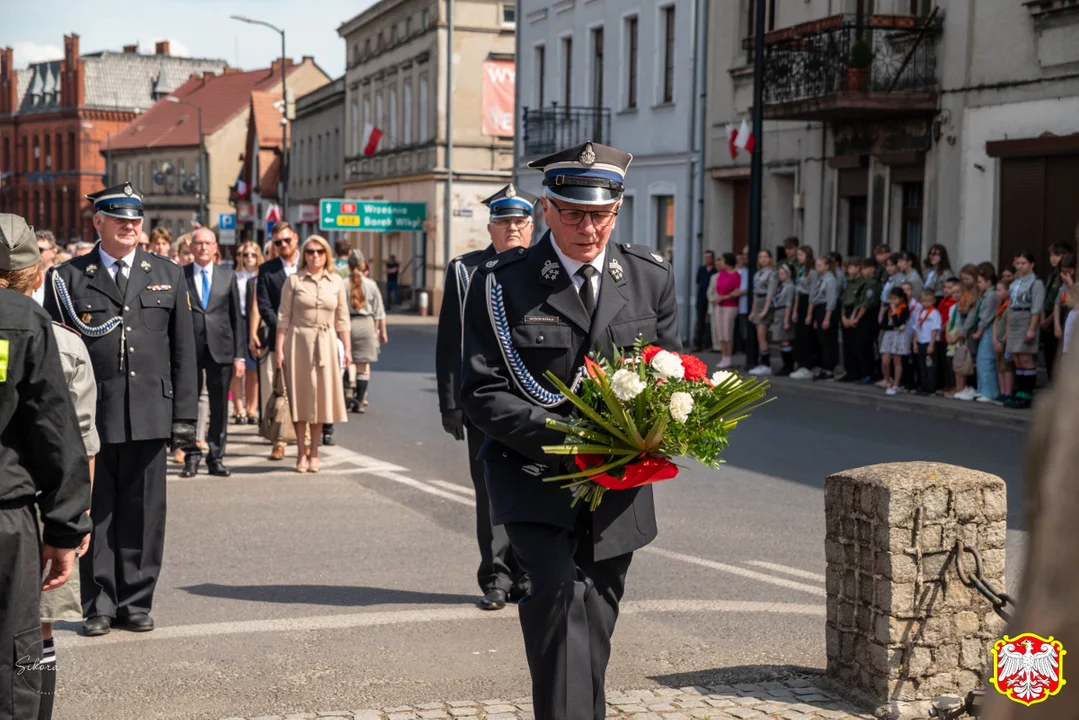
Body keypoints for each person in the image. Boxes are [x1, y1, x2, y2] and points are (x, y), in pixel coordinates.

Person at [460, 141, 680, 720]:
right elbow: (480, 392)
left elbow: (674, 377)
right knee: (558, 603)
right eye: (574, 213)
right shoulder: (503, 282)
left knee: (596, 623)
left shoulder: (649, 277)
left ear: (618, 208)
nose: (589, 227)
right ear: (545, 209)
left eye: (601, 214)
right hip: (536, 477)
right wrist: (568, 439)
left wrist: (662, 429)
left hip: (618, 490)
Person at [43, 183, 198, 636]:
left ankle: (136, 600)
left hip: (151, 412)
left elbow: (184, 351)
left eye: (135, 220)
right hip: (91, 418)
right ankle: (98, 603)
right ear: (98, 223)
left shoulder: (167, 274)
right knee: (95, 509)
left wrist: (184, 418)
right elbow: (54, 355)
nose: (131, 227)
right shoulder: (68, 278)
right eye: (120, 219)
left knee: (145, 511)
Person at [0, 214, 93, 720]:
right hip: (8, 519)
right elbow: (56, 434)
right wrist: (64, 528)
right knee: (19, 654)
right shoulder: (25, 321)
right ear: (32, 272)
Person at [437, 183, 536, 611]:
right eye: (504, 222)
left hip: (536, 401)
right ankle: (496, 576)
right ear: (490, 226)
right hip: (483, 400)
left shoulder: (543, 270)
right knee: (491, 492)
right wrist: (450, 401)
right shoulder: (467, 271)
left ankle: (530, 571)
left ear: (531, 228)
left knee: (535, 488)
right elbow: (450, 339)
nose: (512, 229)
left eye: (519, 222)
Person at [275, 235, 351, 473]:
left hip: (326, 343)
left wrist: (347, 349)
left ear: (327, 254)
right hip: (298, 341)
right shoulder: (294, 281)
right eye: (310, 251)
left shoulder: (337, 282)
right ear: (304, 254)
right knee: (299, 398)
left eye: (319, 251)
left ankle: (315, 451)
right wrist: (279, 348)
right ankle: (300, 451)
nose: (315, 255)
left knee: (320, 400)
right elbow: (283, 317)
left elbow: (343, 319)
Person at [179, 229, 245, 478]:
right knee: (187, 406)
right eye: (198, 243)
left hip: (222, 350)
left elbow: (236, 319)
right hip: (189, 350)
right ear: (191, 247)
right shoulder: (180, 275)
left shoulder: (228, 277)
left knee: (219, 406)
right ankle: (191, 456)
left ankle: (216, 457)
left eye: (207, 243)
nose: (203, 247)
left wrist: (239, 356)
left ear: (215, 247)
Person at [256, 222, 302, 461]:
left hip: (308, 340)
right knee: (281, 392)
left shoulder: (309, 264)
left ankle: (308, 442)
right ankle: (280, 442)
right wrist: (284, 328)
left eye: (287, 240)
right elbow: (264, 307)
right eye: (278, 242)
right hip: (280, 339)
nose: (283, 245)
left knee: (307, 391)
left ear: (295, 238)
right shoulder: (267, 270)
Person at [346, 256, 387, 413]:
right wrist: (382, 332)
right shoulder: (371, 285)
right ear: (363, 266)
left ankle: (349, 391)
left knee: (348, 361)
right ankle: (360, 400)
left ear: (349, 266)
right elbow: (379, 311)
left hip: (348, 324)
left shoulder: (343, 284)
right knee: (362, 365)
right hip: (366, 325)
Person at [1004, 251, 1045, 409]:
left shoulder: (1036, 283)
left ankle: (1027, 395)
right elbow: (1009, 307)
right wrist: (1007, 329)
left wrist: (1031, 329)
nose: (1020, 266)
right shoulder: (1015, 283)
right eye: (1018, 264)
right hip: (1014, 317)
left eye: (1024, 263)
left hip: (1026, 318)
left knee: (1026, 359)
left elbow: (1036, 307)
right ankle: (1019, 393)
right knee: (1016, 358)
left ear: (1031, 265)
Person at [231, 240, 263, 424]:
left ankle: (252, 408)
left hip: (256, 324)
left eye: (253, 254)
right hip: (239, 322)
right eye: (245, 255)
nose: (249, 258)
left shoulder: (261, 277)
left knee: (253, 370)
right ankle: (238, 408)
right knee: (237, 369)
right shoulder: (236, 277)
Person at [1041, 242, 1072, 380]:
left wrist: (1050, 320)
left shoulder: (1067, 278)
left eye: (1057, 255)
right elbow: (1052, 300)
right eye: (1051, 255)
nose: (1053, 259)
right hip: (1050, 317)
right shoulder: (1053, 276)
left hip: (1061, 318)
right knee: (1049, 354)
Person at [971, 267, 1000, 404]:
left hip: (988, 330)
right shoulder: (984, 295)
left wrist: (978, 332)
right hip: (984, 329)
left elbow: (987, 317)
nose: (978, 284)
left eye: (981, 282)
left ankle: (990, 392)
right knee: (981, 361)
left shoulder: (992, 295)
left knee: (986, 360)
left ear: (989, 282)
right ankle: (982, 389)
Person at [747, 249, 778, 376]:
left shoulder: (772, 273)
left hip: (766, 301)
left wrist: (765, 309)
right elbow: (755, 293)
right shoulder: (758, 273)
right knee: (759, 336)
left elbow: (771, 292)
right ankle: (762, 362)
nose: (763, 259)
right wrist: (753, 311)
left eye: (765, 256)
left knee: (762, 335)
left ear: (770, 258)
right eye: (761, 257)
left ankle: (766, 364)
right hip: (758, 301)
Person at [790, 245, 819, 379]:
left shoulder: (812, 272)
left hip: (808, 302)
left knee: (807, 336)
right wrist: (795, 310)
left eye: (801, 255)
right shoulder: (800, 270)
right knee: (799, 335)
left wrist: (809, 313)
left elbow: (813, 292)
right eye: (798, 255)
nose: (799, 257)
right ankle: (800, 363)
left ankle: (807, 365)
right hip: (800, 300)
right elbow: (797, 291)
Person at [709, 252, 741, 369]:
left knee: (727, 331)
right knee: (720, 332)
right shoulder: (721, 273)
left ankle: (728, 357)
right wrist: (716, 298)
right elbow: (718, 288)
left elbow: (737, 291)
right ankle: (723, 356)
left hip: (730, 305)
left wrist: (724, 297)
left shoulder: (736, 275)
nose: (720, 263)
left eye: (722, 260)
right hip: (719, 305)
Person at [810, 254, 839, 381]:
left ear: (827, 266)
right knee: (821, 340)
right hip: (820, 309)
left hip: (827, 310)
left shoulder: (830, 280)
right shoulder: (821, 278)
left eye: (819, 265)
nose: (817, 267)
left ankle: (829, 369)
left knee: (828, 341)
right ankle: (823, 366)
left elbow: (831, 300)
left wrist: (827, 318)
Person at [854, 257, 882, 384]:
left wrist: (857, 317)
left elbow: (866, 303)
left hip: (868, 317)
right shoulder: (863, 283)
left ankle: (869, 373)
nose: (863, 271)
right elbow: (858, 302)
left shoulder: (872, 284)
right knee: (860, 345)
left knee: (866, 346)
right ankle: (864, 372)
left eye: (865, 268)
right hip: (861, 315)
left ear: (873, 269)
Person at [838, 258, 865, 382]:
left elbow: (859, 302)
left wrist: (852, 317)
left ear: (858, 267)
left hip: (855, 314)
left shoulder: (862, 282)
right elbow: (844, 300)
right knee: (846, 345)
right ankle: (848, 370)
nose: (849, 270)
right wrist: (843, 316)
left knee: (856, 345)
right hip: (846, 313)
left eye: (851, 267)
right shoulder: (849, 282)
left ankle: (856, 371)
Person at [879, 287, 910, 396]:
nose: (892, 301)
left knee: (897, 360)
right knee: (885, 361)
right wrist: (893, 327)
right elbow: (882, 325)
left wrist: (895, 313)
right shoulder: (889, 309)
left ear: (901, 299)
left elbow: (898, 322)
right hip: (889, 336)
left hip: (899, 337)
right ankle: (887, 380)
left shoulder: (905, 309)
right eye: (891, 299)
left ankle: (896, 384)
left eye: (895, 299)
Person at [911, 289, 941, 395]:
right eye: (923, 301)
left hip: (929, 342)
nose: (926, 303)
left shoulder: (934, 313)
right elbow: (916, 329)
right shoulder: (919, 312)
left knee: (930, 366)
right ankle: (923, 386)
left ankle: (930, 388)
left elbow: (935, 330)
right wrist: (914, 343)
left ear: (933, 301)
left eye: (928, 301)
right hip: (920, 342)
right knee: (922, 366)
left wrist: (931, 344)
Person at [769, 263, 796, 376]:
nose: (780, 276)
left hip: (783, 312)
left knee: (784, 339)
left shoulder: (790, 286)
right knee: (780, 339)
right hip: (778, 312)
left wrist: (786, 320)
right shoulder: (782, 285)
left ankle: (789, 365)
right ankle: (785, 364)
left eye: (782, 273)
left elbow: (789, 303)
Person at [992, 279, 1015, 404]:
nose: (997, 292)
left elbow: (1009, 324)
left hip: (1005, 342)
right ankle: (1002, 392)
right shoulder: (999, 306)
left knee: (1007, 368)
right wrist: (994, 339)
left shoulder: (1010, 306)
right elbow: (995, 323)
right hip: (997, 341)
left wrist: (1003, 341)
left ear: (1008, 292)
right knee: (999, 367)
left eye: (999, 290)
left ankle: (1008, 393)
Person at [1052, 253, 1075, 361]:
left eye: (1069, 272)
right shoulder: (1063, 285)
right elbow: (1057, 303)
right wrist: (1056, 325)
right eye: (1063, 271)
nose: (1065, 275)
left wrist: (1070, 283)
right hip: (1066, 319)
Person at [693, 250, 716, 352]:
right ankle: (699, 344)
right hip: (701, 298)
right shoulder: (701, 269)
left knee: (711, 322)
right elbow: (698, 283)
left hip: (712, 299)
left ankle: (711, 344)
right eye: (706, 257)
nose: (707, 259)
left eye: (709, 257)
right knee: (700, 321)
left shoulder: (715, 270)